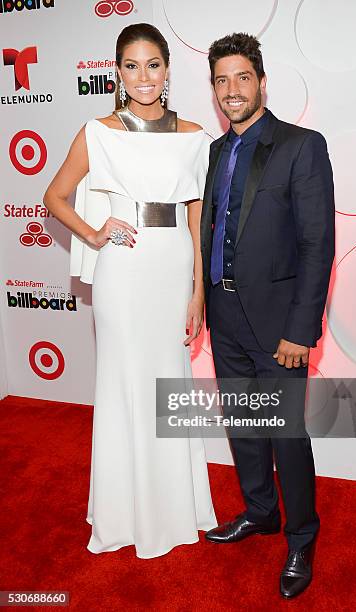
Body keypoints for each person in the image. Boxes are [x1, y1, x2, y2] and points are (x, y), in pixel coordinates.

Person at [43, 23, 217, 559]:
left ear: (167, 69)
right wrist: (95, 235)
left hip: (173, 268)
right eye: (131, 66)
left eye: (153, 65)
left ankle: (174, 508)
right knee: (124, 384)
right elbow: (55, 195)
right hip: (123, 272)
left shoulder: (194, 137)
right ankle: (123, 512)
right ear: (116, 72)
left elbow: (197, 216)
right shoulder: (98, 132)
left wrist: (198, 292)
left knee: (170, 382)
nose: (143, 77)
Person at [200, 33, 335, 598]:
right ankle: (261, 512)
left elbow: (317, 243)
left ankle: (301, 537)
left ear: (261, 81)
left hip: (279, 325)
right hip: (225, 315)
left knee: (284, 434)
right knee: (245, 429)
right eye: (221, 81)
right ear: (213, 89)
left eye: (242, 77)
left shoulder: (301, 145)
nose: (232, 90)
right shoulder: (215, 150)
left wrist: (300, 330)